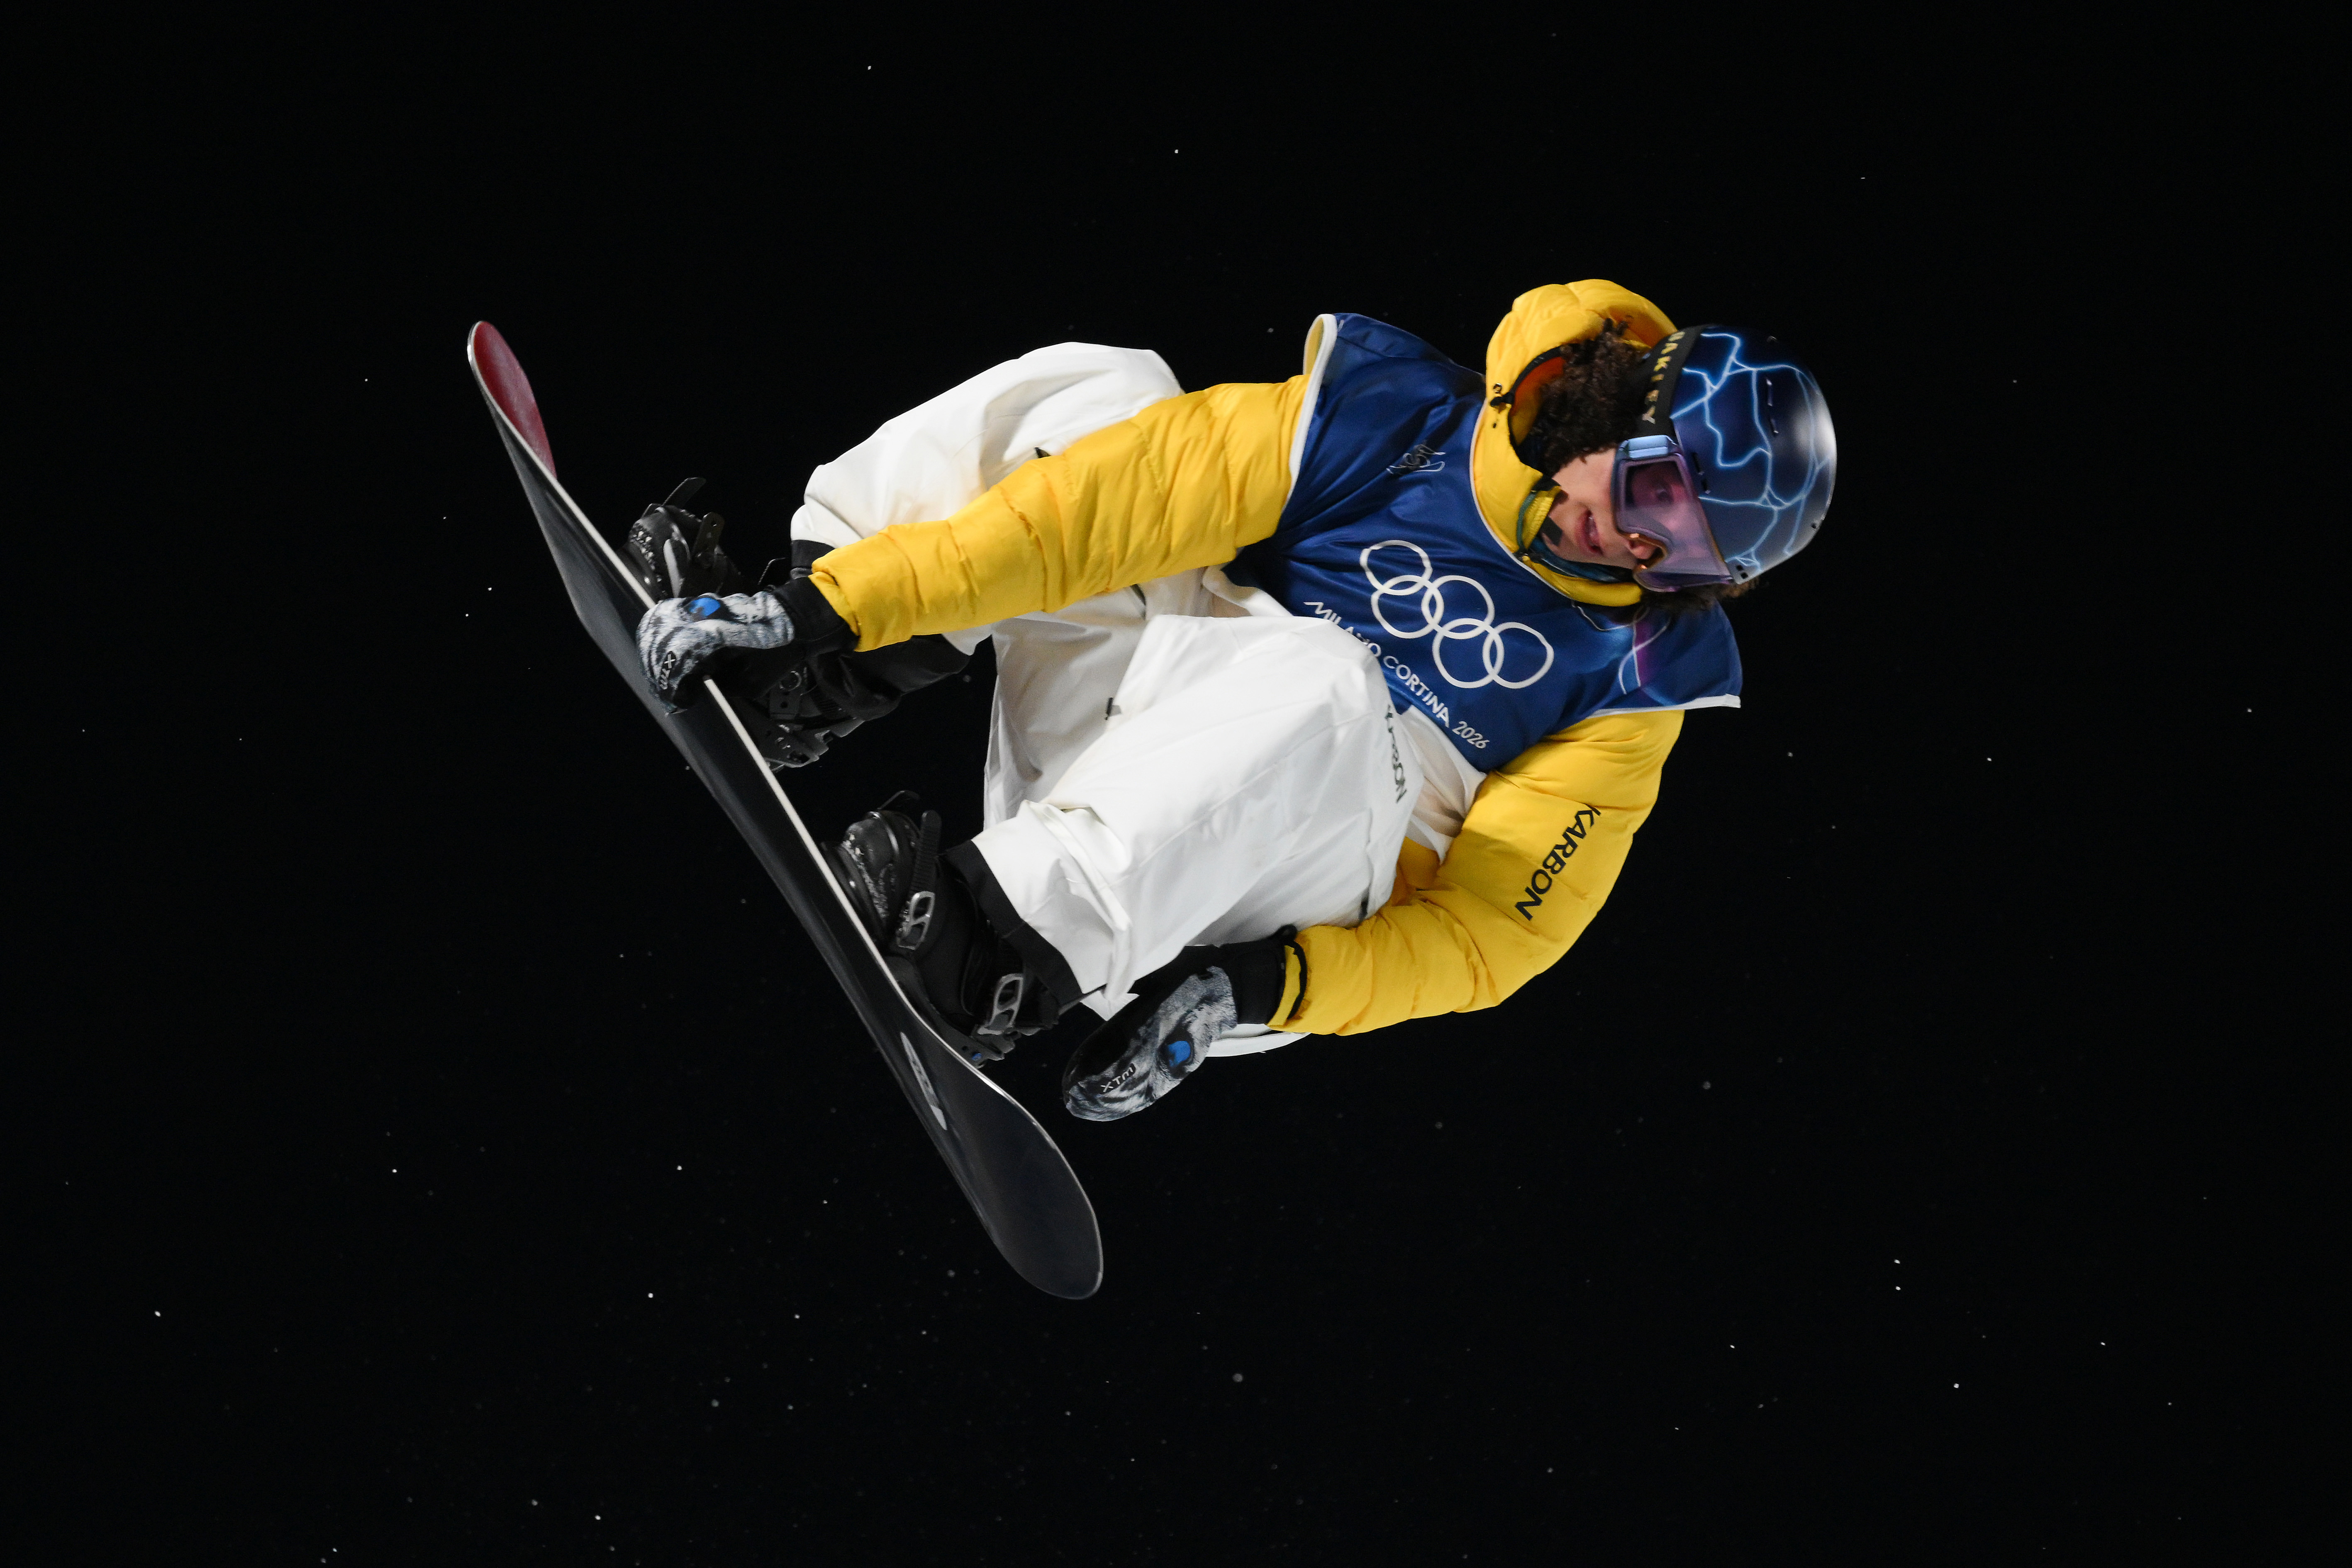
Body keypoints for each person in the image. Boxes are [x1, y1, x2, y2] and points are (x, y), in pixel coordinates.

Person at [628, 281, 1835, 1122]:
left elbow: (1494, 933)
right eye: (1655, 489)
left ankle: (993, 958)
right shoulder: (1393, 420)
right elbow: (1109, 510)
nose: (1634, 542)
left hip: (1252, 878)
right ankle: (797, 670)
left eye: (1680, 553)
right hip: (1139, 732)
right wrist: (843, 602)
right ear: (1615, 404)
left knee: (1329, 682)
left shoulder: (1633, 684)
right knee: (1112, 398)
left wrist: (1262, 992)